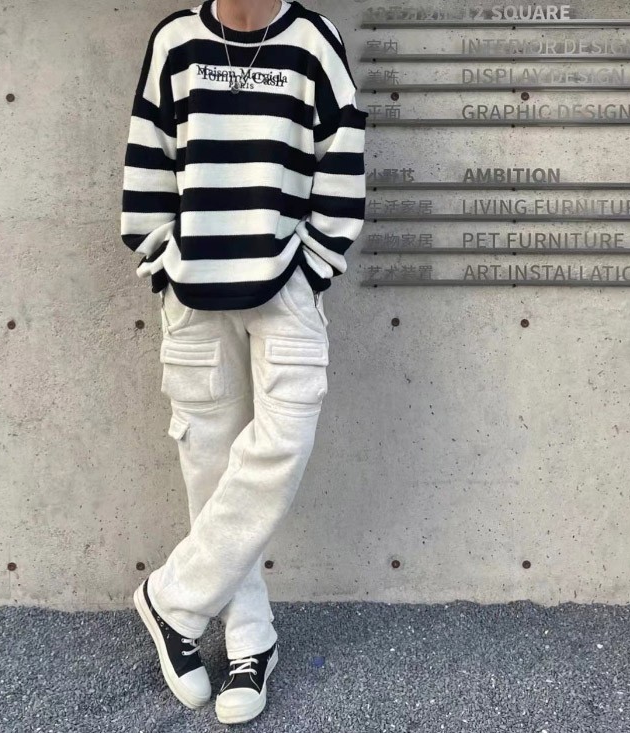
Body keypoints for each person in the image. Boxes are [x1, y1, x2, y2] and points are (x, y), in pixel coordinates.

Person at [120, 0, 367, 724]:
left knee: (283, 443)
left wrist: (311, 270)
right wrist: (164, 261)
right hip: (193, 294)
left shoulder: (314, 41)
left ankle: (172, 598)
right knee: (209, 462)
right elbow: (148, 156)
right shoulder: (176, 40)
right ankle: (251, 639)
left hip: (285, 285)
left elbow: (342, 162)